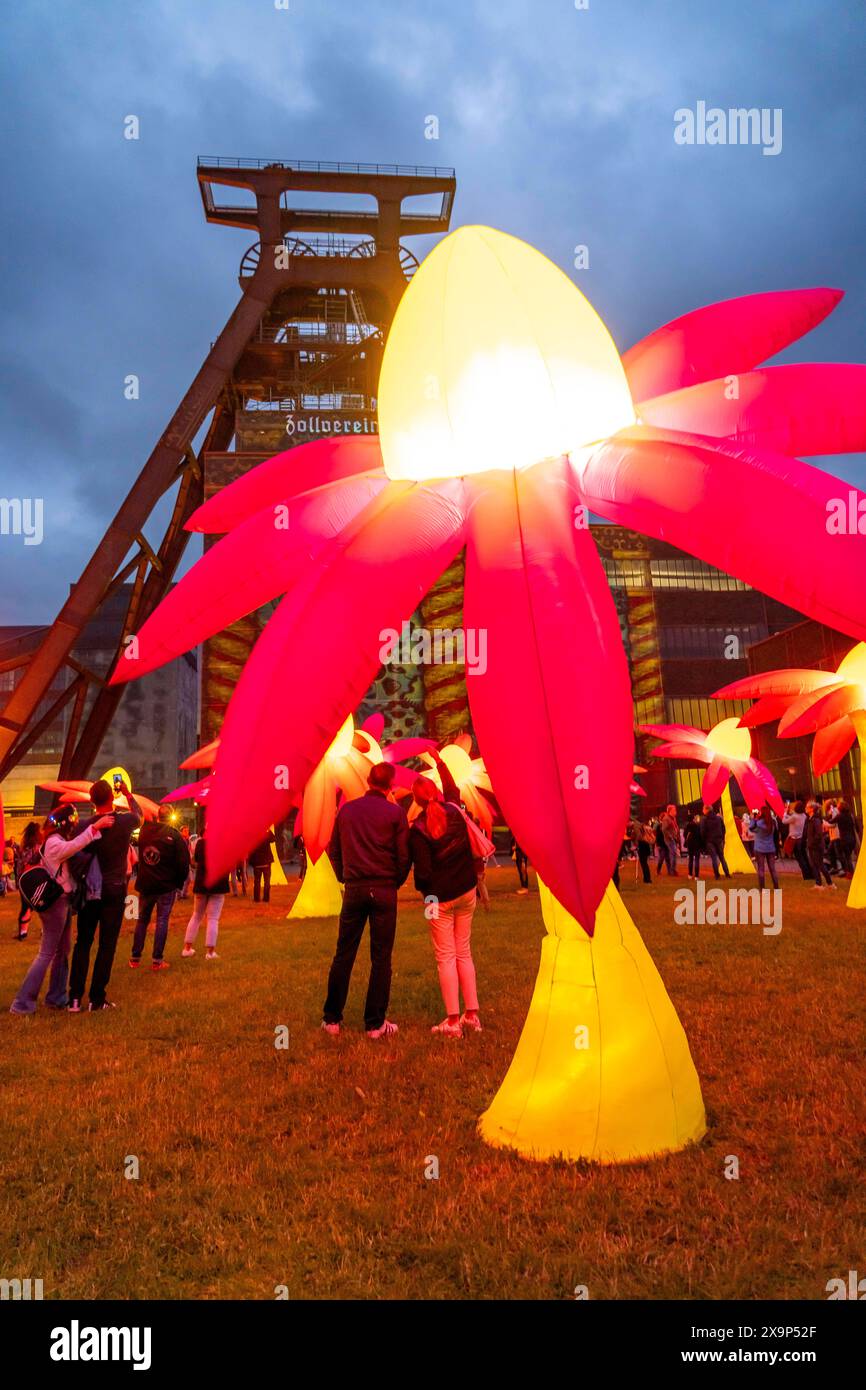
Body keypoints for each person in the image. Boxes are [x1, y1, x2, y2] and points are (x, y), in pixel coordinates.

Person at [322, 761, 410, 1040]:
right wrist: (393, 881)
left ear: (368, 780)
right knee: (381, 957)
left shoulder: (347, 810)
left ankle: (332, 1019)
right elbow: (404, 856)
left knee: (344, 954)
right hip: (383, 889)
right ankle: (375, 1023)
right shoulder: (395, 813)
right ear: (390, 786)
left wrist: (345, 876)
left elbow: (332, 848)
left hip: (355, 888)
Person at [10, 805, 113, 1016]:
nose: (75, 825)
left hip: (62, 901)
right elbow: (75, 846)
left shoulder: (55, 841)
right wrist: (95, 827)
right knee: (46, 953)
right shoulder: (55, 843)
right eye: (73, 822)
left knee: (62, 950)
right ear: (66, 823)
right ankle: (22, 1003)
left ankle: (56, 997)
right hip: (55, 904)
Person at [410, 757, 483, 1038]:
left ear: (416, 800)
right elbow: (453, 788)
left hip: (438, 900)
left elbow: (423, 874)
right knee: (463, 951)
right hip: (466, 891)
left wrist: (422, 891)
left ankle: (452, 1021)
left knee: (445, 957)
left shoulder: (418, 829)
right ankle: (472, 1016)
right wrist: (440, 761)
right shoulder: (454, 808)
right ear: (437, 792)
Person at [68, 778, 141, 1012]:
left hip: (89, 891)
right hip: (114, 888)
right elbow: (139, 815)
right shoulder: (124, 822)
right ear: (113, 797)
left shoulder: (84, 827)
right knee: (107, 945)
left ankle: (75, 998)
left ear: (91, 800)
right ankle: (96, 999)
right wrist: (128, 795)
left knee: (83, 942)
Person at [129, 806, 191, 970]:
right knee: (162, 920)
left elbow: (138, 814)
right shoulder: (174, 835)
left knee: (142, 920)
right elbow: (184, 864)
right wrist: (178, 884)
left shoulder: (145, 832)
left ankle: (135, 958)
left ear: (157, 816)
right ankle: (157, 960)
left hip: (147, 884)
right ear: (170, 815)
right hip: (165, 886)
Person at [182, 826, 229, 960]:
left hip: (202, 884)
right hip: (218, 884)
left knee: (196, 916)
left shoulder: (201, 843)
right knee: (213, 918)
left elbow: (196, 860)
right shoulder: (224, 842)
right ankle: (210, 952)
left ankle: (187, 948)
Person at [13, 821, 41, 940]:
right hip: (39, 878)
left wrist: (18, 880)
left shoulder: (23, 847)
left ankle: (23, 932)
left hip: (25, 880)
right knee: (43, 907)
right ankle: (44, 931)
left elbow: (19, 865)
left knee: (25, 907)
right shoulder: (40, 846)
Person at [748, 805, 780, 889]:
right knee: (772, 869)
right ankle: (776, 887)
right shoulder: (772, 823)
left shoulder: (758, 823)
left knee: (761, 869)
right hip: (770, 847)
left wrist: (753, 818)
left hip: (759, 848)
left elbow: (751, 828)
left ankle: (762, 888)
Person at [805, 802, 835, 889]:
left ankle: (830, 883)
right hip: (812, 845)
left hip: (817, 846)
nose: (806, 808)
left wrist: (812, 842)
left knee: (820, 864)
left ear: (811, 809)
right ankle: (818, 884)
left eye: (807, 807)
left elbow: (818, 834)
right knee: (814, 865)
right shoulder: (810, 819)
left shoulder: (816, 820)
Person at [700, 803, 731, 879]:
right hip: (719, 840)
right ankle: (727, 873)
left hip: (710, 841)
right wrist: (722, 838)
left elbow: (702, 831)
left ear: (706, 810)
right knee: (722, 857)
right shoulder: (718, 818)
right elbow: (723, 829)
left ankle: (717, 875)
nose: (702, 811)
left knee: (714, 858)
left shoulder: (704, 819)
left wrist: (704, 841)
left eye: (703, 809)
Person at [782, 800, 810, 879]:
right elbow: (791, 818)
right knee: (804, 856)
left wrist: (785, 813)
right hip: (801, 838)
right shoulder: (804, 816)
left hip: (794, 839)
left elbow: (784, 821)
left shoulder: (794, 817)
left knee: (799, 858)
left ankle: (806, 874)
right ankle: (809, 873)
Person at [249, 830, 276, 903]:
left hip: (257, 862)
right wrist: (269, 831)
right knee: (267, 881)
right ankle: (266, 898)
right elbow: (273, 839)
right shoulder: (266, 834)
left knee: (257, 881)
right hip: (266, 862)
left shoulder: (253, 835)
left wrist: (251, 862)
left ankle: (256, 898)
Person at [835, 798, 857, 878]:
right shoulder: (851, 815)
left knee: (847, 857)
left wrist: (831, 813)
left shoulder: (839, 816)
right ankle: (850, 871)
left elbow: (830, 821)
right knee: (849, 856)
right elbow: (856, 827)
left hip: (844, 838)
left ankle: (850, 873)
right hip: (852, 838)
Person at [657, 805, 679, 875]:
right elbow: (664, 829)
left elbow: (674, 828)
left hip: (672, 839)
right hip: (669, 840)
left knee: (668, 856)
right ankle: (672, 870)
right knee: (671, 854)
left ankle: (671, 870)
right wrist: (670, 837)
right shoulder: (666, 819)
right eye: (674, 810)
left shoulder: (673, 818)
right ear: (670, 811)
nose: (676, 812)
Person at [685, 814, 703, 880]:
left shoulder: (687, 826)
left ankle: (690, 874)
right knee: (697, 860)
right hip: (697, 844)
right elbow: (700, 835)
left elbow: (685, 835)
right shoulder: (697, 825)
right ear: (693, 818)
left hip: (690, 844)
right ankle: (696, 876)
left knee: (691, 859)